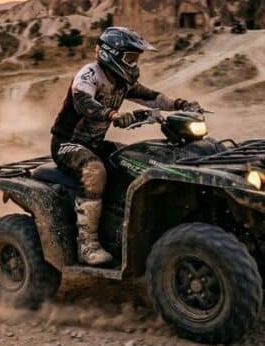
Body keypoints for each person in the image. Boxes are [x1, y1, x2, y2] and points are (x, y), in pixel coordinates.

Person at [50, 26, 201, 266]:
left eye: (136, 58)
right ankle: (87, 244)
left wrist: (181, 104)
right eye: (130, 57)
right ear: (112, 54)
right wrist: (112, 115)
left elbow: (151, 96)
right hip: (67, 143)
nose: (134, 62)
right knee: (94, 171)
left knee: (134, 160)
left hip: (96, 143)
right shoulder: (89, 74)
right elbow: (83, 102)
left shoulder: (122, 81)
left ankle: (121, 224)